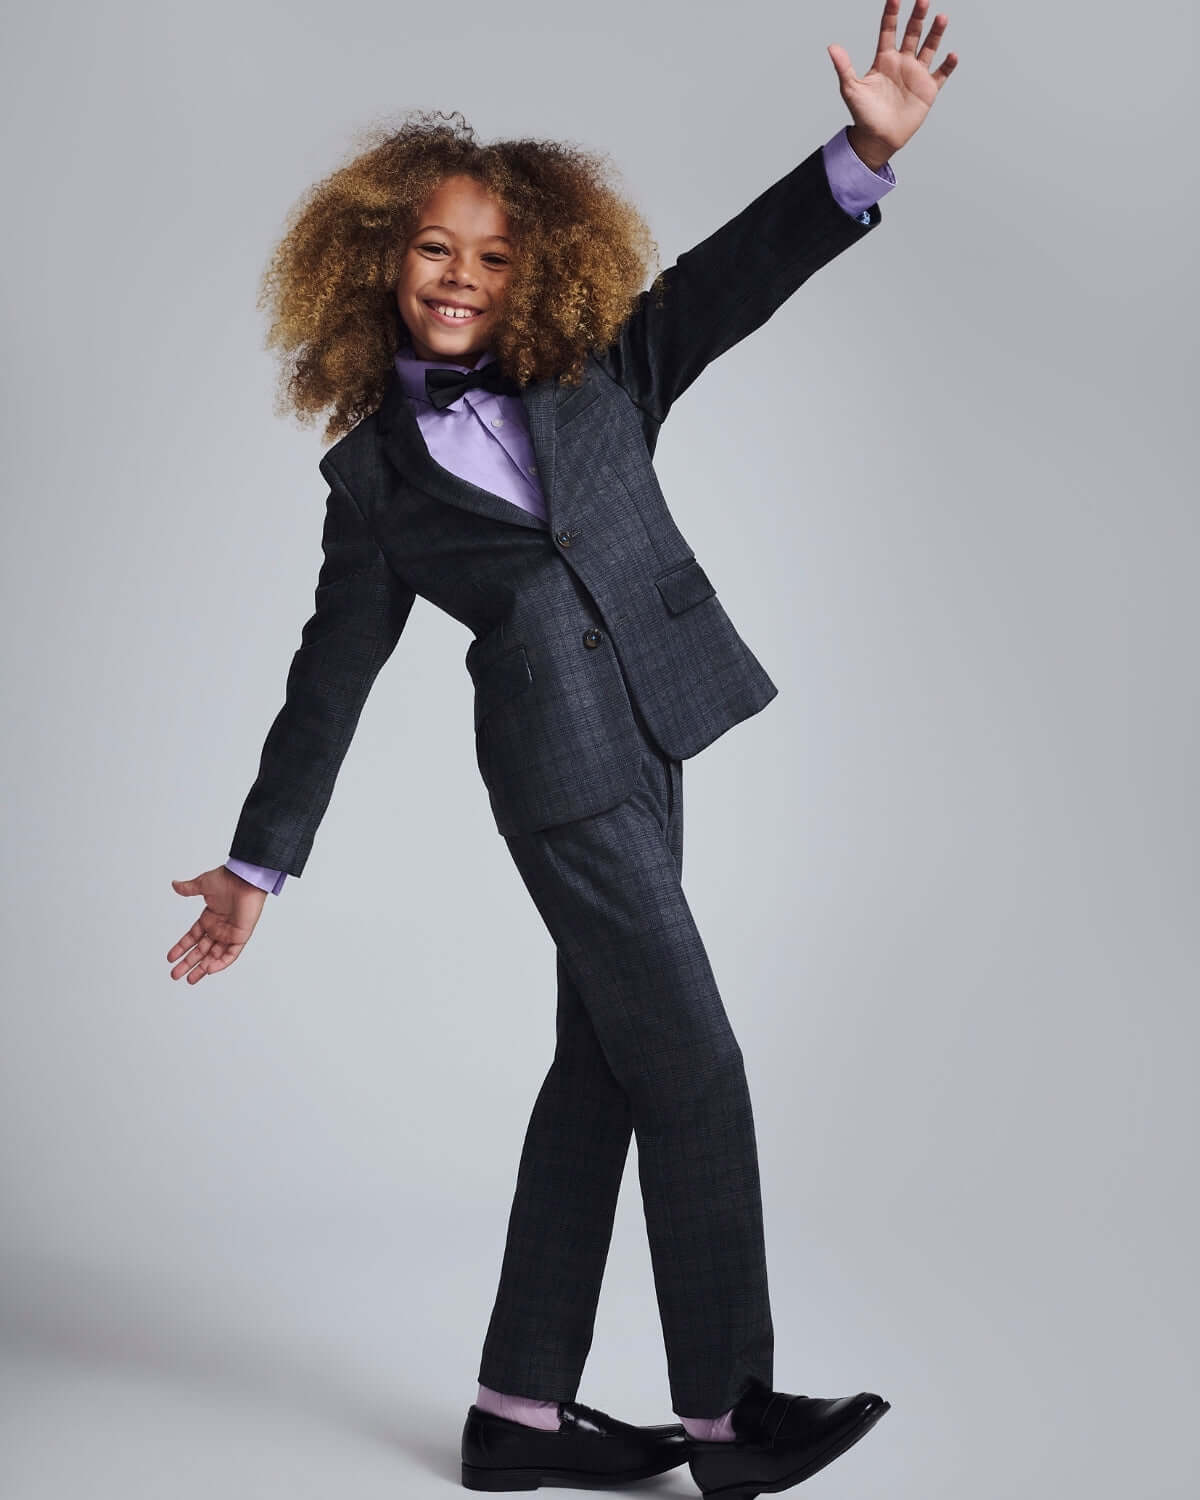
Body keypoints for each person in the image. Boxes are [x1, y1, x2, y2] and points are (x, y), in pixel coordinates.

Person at [167, 3, 958, 1492]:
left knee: (600, 1071)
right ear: (375, 266)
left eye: (491, 255)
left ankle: (515, 1417)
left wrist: (862, 151)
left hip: (658, 725)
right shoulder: (375, 479)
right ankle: (731, 1418)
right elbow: (329, 673)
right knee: (696, 1063)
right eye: (430, 251)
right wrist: (260, 860)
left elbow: (731, 281)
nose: (459, 279)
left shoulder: (601, 370)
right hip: (558, 772)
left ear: (537, 267)